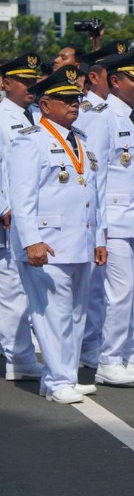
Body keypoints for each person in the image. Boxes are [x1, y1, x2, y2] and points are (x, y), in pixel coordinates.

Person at [9, 67, 107, 403]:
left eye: (76, 99)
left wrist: (99, 239)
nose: (73, 105)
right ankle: (55, 379)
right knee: (52, 313)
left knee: (75, 313)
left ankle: (64, 374)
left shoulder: (81, 139)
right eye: (65, 100)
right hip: (47, 243)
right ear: (45, 104)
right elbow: (22, 198)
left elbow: (94, 194)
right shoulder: (30, 141)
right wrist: (31, 240)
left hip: (79, 240)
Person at [76, 48, 134, 387]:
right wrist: (98, 230)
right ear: (114, 81)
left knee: (131, 292)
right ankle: (109, 360)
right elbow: (95, 177)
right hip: (112, 220)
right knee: (117, 292)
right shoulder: (102, 117)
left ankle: (124, 357)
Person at [0, 53, 43, 381]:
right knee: (13, 288)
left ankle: (25, 351)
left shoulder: (35, 115)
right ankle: (19, 357)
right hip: (10, 215)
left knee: (28, 287)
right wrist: (4, 206)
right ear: (5, 83)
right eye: (23, 80)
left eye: (33, 80)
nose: (31, 86)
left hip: (33, 213)